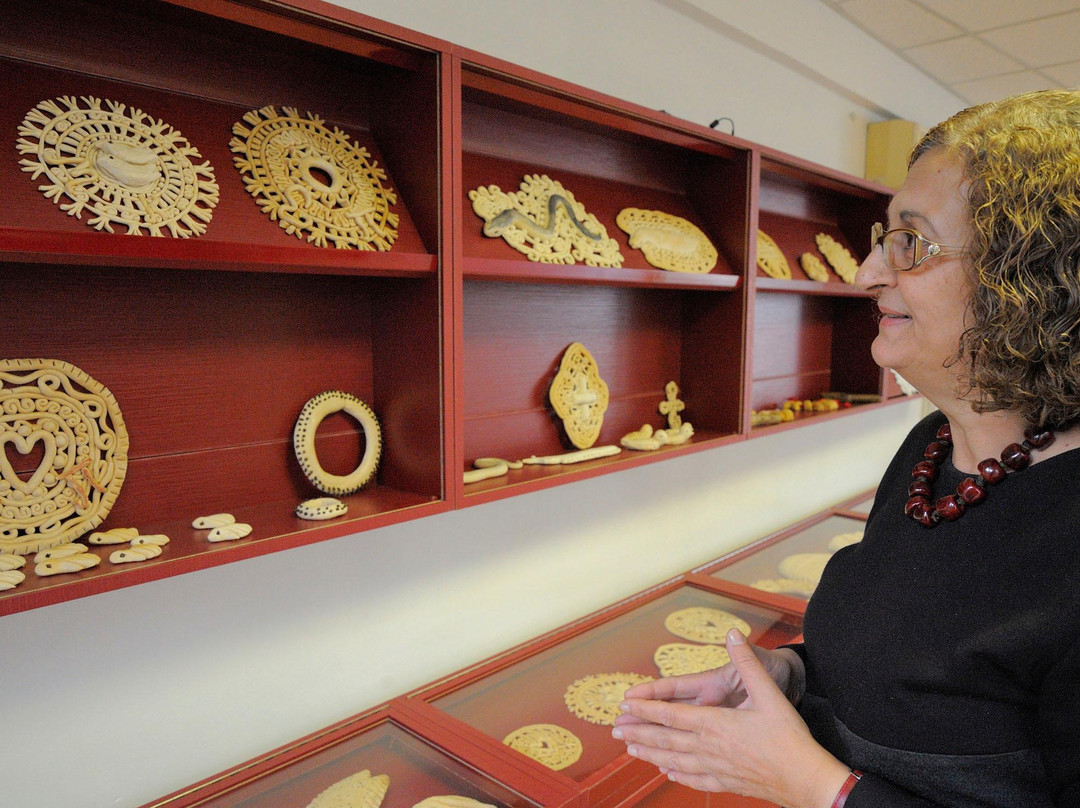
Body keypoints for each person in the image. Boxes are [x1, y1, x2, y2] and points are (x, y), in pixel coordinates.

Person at [612, 88, 1080, 807]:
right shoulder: (932, 444)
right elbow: (917, 667)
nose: (866, 274)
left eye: (911, 244)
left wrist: (814, 786)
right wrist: (792, 679)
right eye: (882, 238)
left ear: (1031, 280)